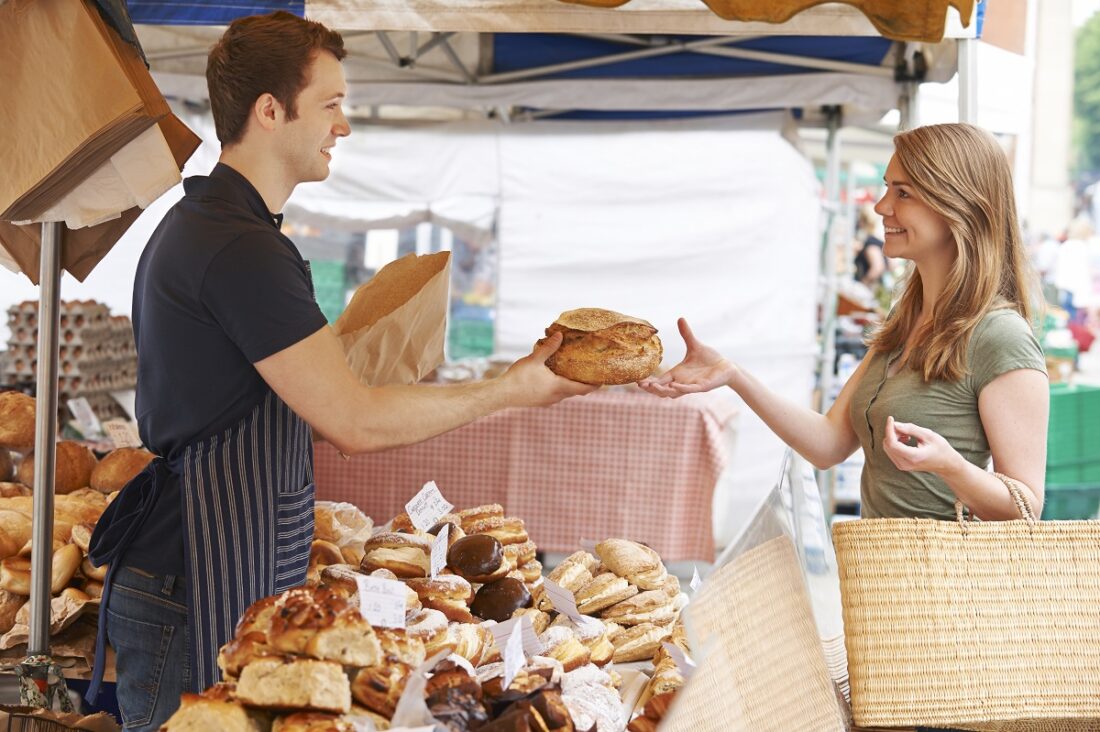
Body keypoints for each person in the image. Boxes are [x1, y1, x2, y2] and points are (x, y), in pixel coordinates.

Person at [85, 12, 594, 730]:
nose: (344, 125)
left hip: (199, 561)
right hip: (193, 574)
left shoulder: (212, 226)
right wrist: (512, 390)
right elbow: (352, 421)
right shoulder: (238, 248)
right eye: (330, 104)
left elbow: (305, 401)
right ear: (270, 111)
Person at [642, 123, 1049, 524]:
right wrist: (734, 375)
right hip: (878, 579)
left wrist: (951, 467)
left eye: (902, 192)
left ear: (957, 205)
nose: (881, 206)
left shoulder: (1001, 336)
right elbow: (829, 444)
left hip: (948, 585)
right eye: (888, 187)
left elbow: (1027, 506)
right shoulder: (905, 320)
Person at [853, 204, 887, 287]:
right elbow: (892, 264)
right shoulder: (878, 241)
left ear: (862, 220)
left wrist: (863, 283)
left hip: (869, 290)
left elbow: (877, 267)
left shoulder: (871, 243)